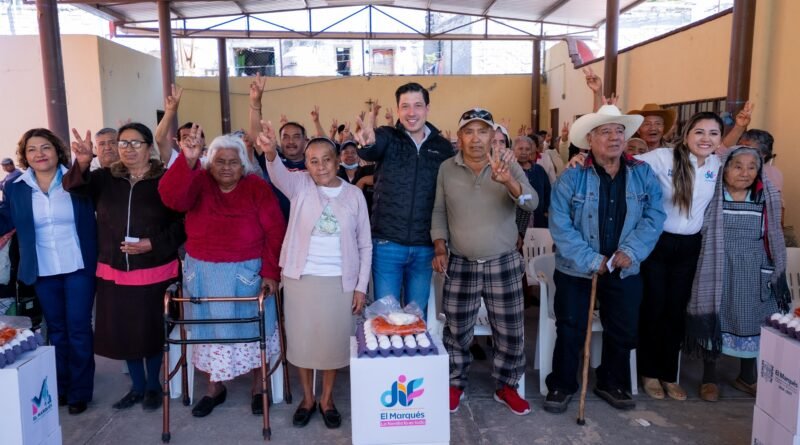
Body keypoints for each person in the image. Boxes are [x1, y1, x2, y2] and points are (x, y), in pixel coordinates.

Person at [544, 105, 665, 414]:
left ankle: (612, 382)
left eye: (619, 131)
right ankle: (562, 384)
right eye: (606, 131)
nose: (615, 137)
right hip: (577, 268)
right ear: (590, 139)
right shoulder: (572, 177)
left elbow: (654, 216)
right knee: (571, 327)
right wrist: (591, 259)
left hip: (624, 267)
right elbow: (560, 225)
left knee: (623, 329)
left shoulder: (642, 173)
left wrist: (631, 252)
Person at [159, 128, 286, 418]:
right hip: (203, 274)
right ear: (209, 163)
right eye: (220, 161)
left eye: (233, 162)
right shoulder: (199, 181)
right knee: (208, 332)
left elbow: (275, 231)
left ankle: (259, 386)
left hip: (247, 274)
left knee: (255, 331)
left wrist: (271, 273)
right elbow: (172, 199)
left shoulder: (256, 187)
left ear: (243, 165)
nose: (226, 167)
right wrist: (188, 160)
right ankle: (214, 388)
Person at [65, 123, 186, 411]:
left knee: (152, 329)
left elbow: (182, 223)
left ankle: (154, 385)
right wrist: (83, 161)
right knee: (125, 331)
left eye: (135, 143)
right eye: (123, 143)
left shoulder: (165, 179)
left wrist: (152, 244)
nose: (127, 149)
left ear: (149, 147)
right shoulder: (105, 178)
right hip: (115, 269)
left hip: (154, 267)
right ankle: (137, 387)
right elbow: (73, 186)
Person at [259, 124, 371, 429]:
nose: (321, 166)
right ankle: (307, 399)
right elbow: (276, 172)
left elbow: (365, 244)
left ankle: (327, 399)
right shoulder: (300, 185)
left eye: (327, 160)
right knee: (303, 343)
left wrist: (360, 287)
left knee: (333, 343)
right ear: (306, 165)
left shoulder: (354, 195)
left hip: (340, 282)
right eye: (313, 161)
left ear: (338, 161)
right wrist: (270, 152)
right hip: (301, 280)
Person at [431, 108, 537, 416]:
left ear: (493, 136)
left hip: (502, 261)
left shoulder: (508, 164)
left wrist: (509, 182)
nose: (476, 138)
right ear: (459, 137)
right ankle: (455, 383)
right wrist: (440, 246)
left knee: (509, 329)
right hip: (461, 262)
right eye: (469, 131)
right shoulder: (447, 168)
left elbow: (531, 202)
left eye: (482, 131)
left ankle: (507, 386)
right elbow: (439, 211)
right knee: (456, 329)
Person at [0, 128, 97, 415]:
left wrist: (85, 161)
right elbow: (5, 218)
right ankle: (61, 385)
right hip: (42, 270)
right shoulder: (16, 187)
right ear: (24, 156)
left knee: (78, 328)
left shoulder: (75, 180)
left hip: (78, 266)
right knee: (56, 330)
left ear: (57, 151)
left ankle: (80, 391)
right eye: (32, 149)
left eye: (45, 147)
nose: (39, 154)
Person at [685, 146, 791, 402]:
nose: (745, 172)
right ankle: (709, 378)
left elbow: (774, 235)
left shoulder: (765, 197)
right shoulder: (712, 195)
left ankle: (747, 377)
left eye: (752, 167)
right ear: (725, 170)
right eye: (738, 166)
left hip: (754, 269)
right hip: (717, 266)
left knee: (753, 319)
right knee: (715, 316)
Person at [634, 112, 724, 401]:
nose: (706, 139)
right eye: (699, 132)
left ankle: (669, 374)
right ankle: (649, 372)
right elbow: (623, 161)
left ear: (720, 139)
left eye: (713, 133)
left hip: (690, 246)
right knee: (654, 308)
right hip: (658, 244)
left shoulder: (717, 165)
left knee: (676, 312)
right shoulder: (663, 158)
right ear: (686, 135)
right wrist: (579, 159)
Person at [354, 82, 455, 315]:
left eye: (418, 105)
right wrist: (366, 143)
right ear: (398, 110)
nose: (412, 112)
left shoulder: (442, 147)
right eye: (405, 106)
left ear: (427, 108)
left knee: (416, 317)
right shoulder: (388, 137)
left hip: (425, 247)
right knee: (385, 316)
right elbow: (371, 148)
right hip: (387, 245)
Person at [512, 135, 550, 230]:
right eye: (520, 149)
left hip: (539, 222)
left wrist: (546, 212)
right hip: (515, 224)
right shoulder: (509, 171)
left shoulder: (539, 170)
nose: (524, 152)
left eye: (527, 149)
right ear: (513, 150)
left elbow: (548, 192)